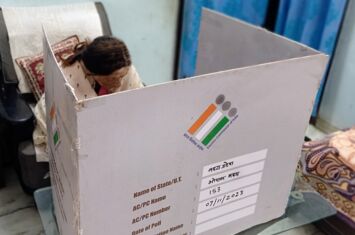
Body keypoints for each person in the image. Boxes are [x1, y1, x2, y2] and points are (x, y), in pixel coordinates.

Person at [61, 35, 144, 95]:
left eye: (122, 76)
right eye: (112, 79)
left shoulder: (126, 69)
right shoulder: (68, 80)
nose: (119, 84)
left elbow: (141, 98)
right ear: (92, 73)